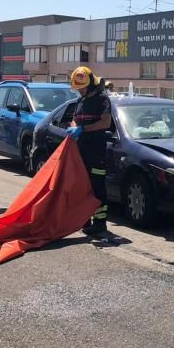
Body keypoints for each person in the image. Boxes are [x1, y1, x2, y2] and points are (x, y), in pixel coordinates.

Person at [67, 66, 112, 240]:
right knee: (83, 186)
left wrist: (83, 129)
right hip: (81, 150)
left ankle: (100, 223)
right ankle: (84, 218)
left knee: (97, 186)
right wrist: (73, 128)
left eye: (82, 88)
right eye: (78, 89)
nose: (80, 91)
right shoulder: (81, 101)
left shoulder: (102, 100)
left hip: (97, 151)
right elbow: (74, 119)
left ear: (91, 85)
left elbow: (105, 122)